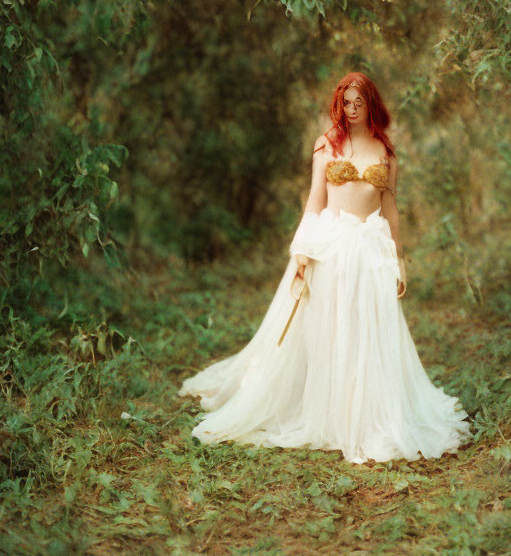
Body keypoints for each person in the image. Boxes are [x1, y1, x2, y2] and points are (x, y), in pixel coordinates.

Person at [179, 72, 472, 464]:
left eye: (359, 103)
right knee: (330, 329)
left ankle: (367, 412)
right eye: (346, 102)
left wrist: (399, 257)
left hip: (370, 249)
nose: (352, 110)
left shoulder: (386, 151)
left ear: (371, 104)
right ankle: (329, 409)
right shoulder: (327, 145)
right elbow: (315, 201)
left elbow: (390, 209)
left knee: (368, 330)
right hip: (330, 246)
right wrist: (301, 252)